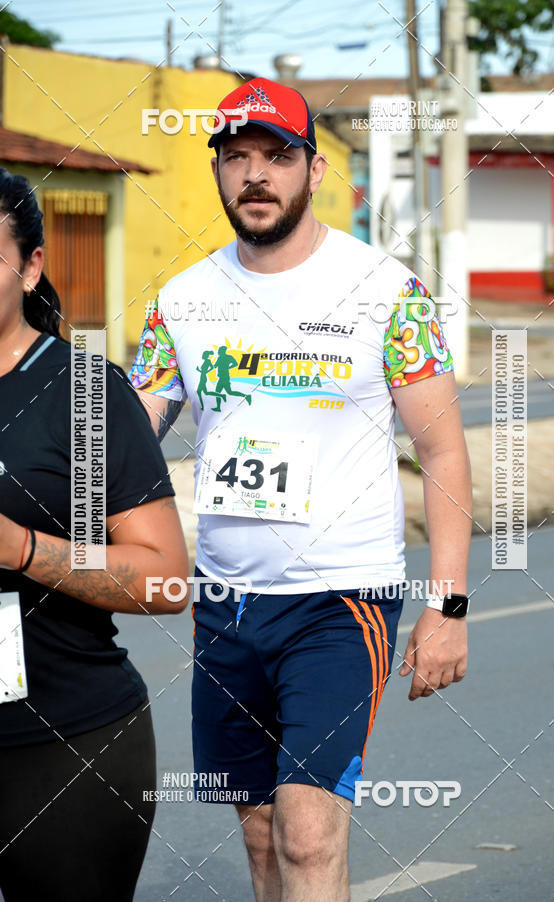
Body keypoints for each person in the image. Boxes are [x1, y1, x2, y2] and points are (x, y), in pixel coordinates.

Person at [129, 77, 472, 902]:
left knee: (308, 832)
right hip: (225, 601)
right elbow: (124, 442)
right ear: (216, 170)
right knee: (259, 836)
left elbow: (445, 450)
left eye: (276, 156)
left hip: (340, 599)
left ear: (314, 170)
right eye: (236, 156)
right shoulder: (181, 300)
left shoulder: (386, 292)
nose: (255, 174)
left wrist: (449, 606)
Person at [0, 170, 190, 902]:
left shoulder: (80, 392)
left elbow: (166, 577)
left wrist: (22, 547)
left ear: (32, 265)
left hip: (63, 747)